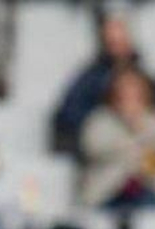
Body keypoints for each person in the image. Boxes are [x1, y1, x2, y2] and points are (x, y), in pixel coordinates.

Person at [80, 68, 155, 209]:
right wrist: (127, 139)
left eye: (135, 88)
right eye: (124, 88)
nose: (130, 93)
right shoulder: (101, 119)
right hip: (108, 189)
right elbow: (93, 148)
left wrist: (140, 128)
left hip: (151, 186)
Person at [52, 11, 143, 158]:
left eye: (120, 34)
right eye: (111, 37)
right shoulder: (89, 78)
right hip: (104, 148)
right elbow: (68, 116)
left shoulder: (143, 74)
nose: (116, 39)